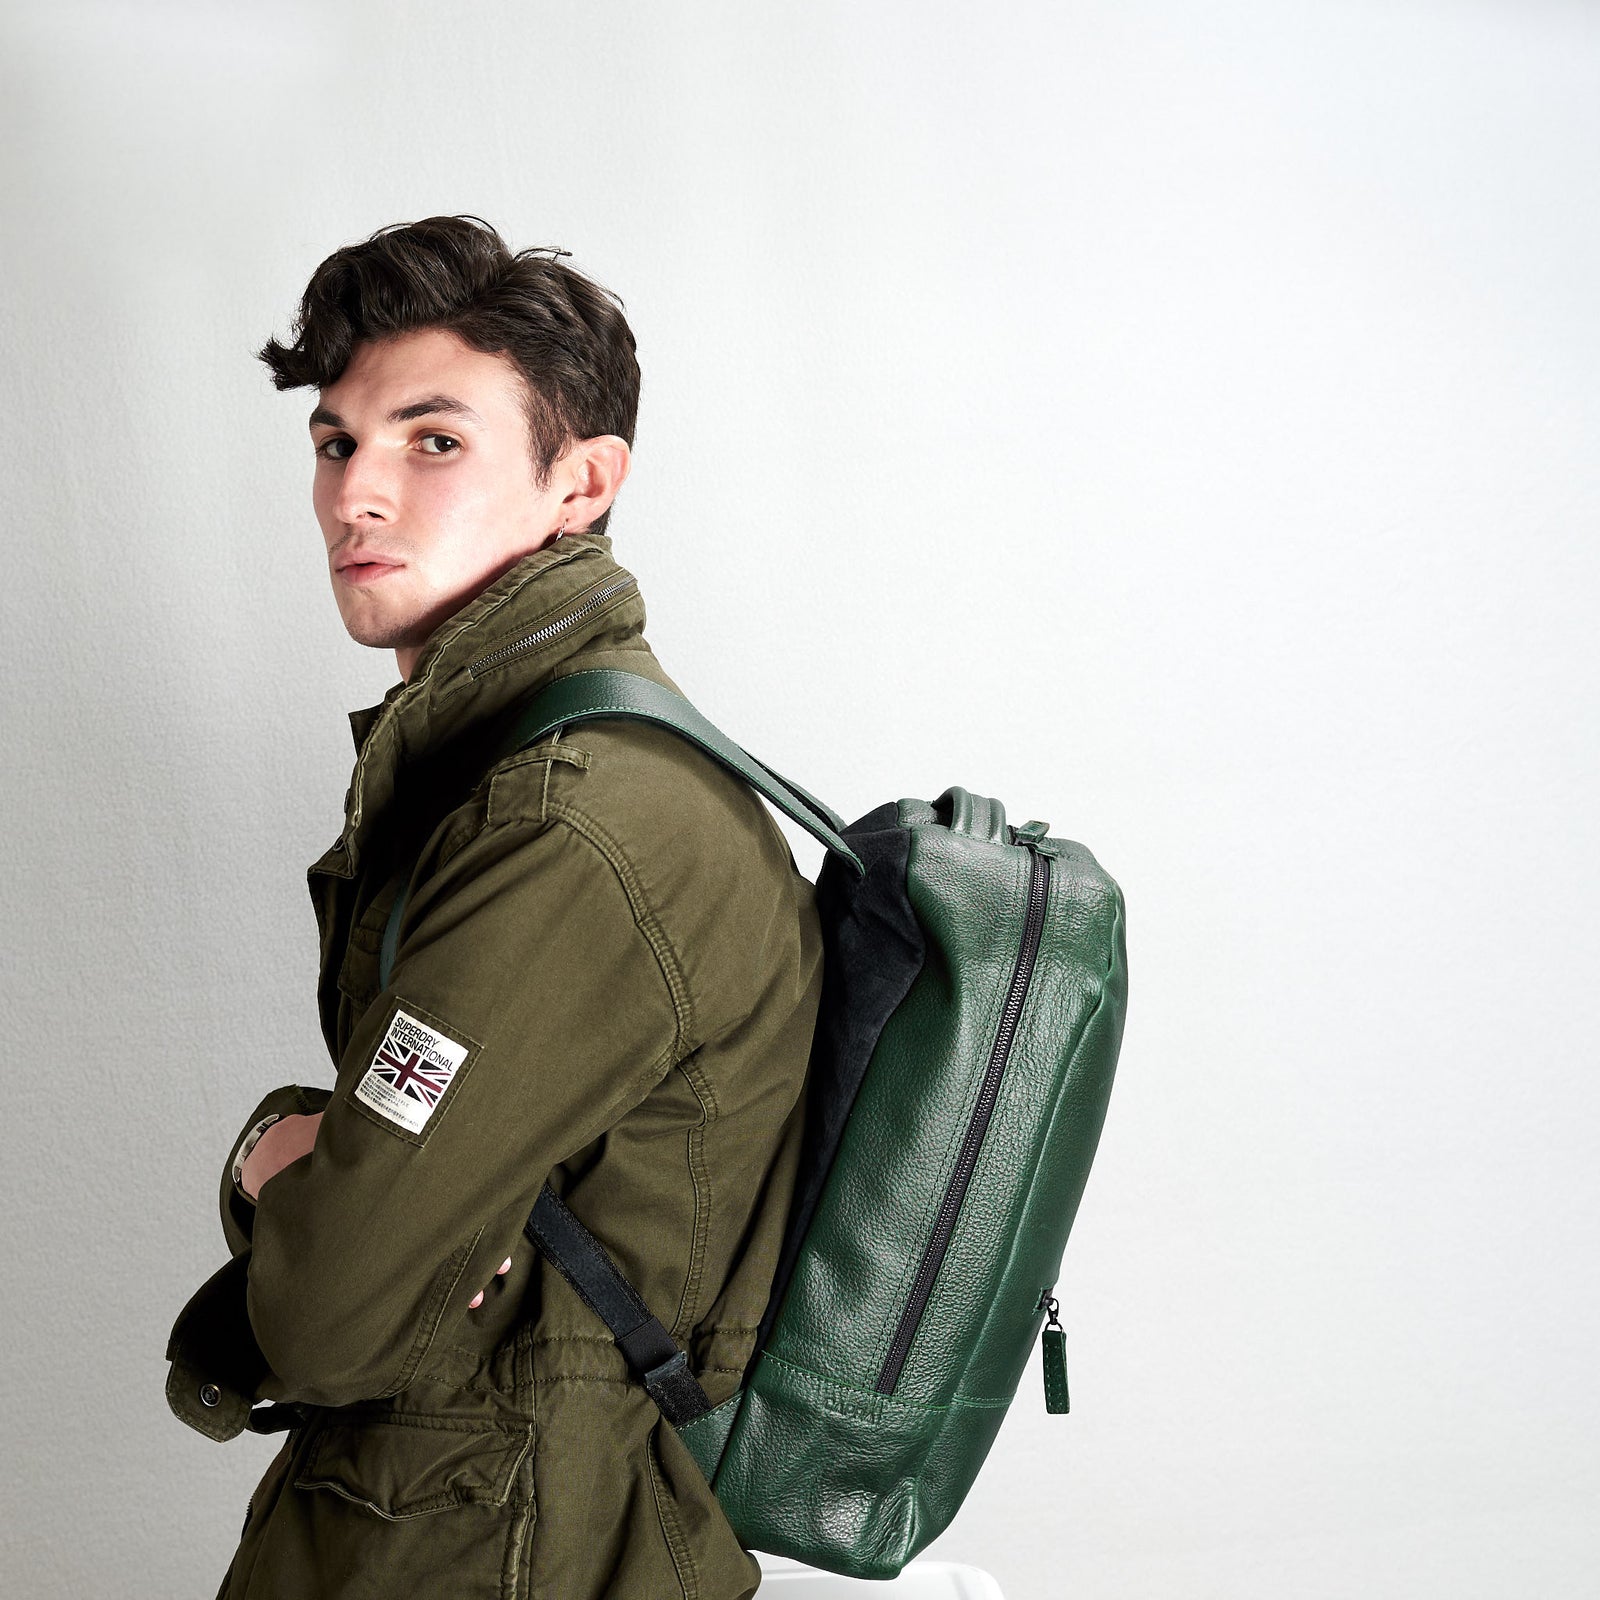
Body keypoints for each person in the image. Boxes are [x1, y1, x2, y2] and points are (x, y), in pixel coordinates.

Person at [163, 214, 824, 1600]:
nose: (358, 493)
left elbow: (332, 1312)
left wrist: (269, 1158)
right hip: (469, 1521)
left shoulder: (571, 828)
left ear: (581, 480)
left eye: (433, 440)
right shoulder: (519, 774)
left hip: (502, 1547)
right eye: (338, 443)